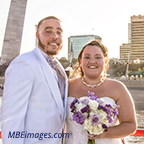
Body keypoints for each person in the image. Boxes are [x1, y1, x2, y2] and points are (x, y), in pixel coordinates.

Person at [1, 16, 68, 144]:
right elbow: (11, 119)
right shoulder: (24, 63)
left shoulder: (59, 68)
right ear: (37, 35)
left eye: (59, 32)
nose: (55, 36)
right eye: (48, 31)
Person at [66, 40, 137, 144]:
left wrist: (104, 133)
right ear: (80, 61)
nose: (92, 61)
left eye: (98, 57)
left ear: (105, 61)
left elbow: (130, 125)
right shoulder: (67, 86)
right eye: (87, 57)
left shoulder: (118, 88)